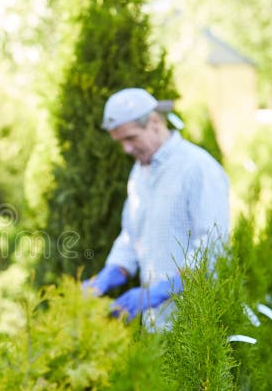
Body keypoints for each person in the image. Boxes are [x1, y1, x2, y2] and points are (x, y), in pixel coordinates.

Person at [82, 87, 230, 331]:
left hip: (197, 327)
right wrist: (110, 273)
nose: (126, 150)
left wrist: (166, 288)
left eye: (131, 138)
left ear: (154, 123)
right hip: (156, 324)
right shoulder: (140, 173)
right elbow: (132, 235)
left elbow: (213, 244)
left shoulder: (197, 168)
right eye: (120, 142)